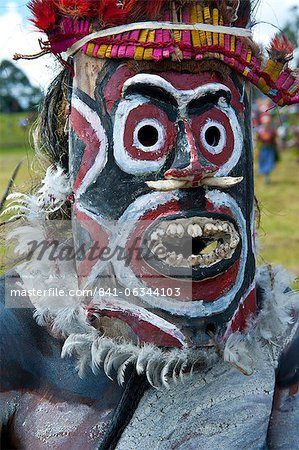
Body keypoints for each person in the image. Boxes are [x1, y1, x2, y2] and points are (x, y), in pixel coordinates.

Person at [1, 1, 298, 448]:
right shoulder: (21, 319)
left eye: (215, 134)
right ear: (78, 141)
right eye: (146, 134)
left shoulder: (281, 328)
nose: (192, 166)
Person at [257, 113, 279, 184]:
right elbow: (258, 141)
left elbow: (274, 140)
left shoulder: (272, 131)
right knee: (264, 162)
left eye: (268, 123)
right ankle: (266, 177)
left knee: (269, 163)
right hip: (263, 149)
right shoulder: (261, 132)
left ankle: (267, 176)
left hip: (270, 149)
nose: (266, 124)